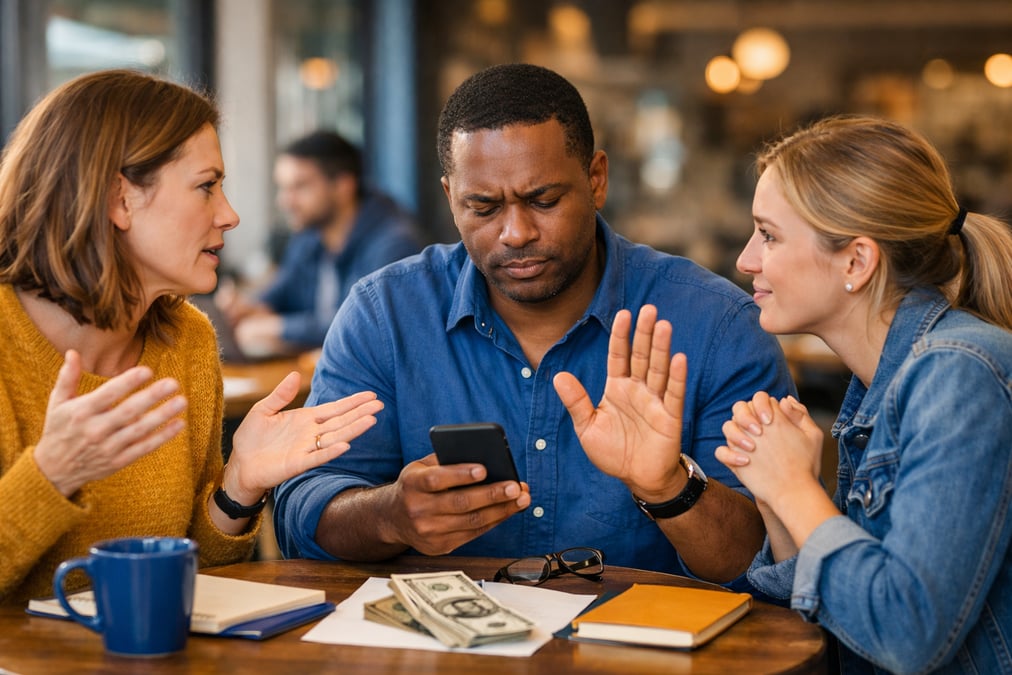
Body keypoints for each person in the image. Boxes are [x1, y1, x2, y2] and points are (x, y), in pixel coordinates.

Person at [272, 63, 794, 587]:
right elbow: (303, 510)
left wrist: (669, 488)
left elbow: (765, 562)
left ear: (596, 179)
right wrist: (390, 516)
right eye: (483, 206)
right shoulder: (385, 314)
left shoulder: (715, 325)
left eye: (543, 200)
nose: (516, 232)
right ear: (451, 197)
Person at [0, 70, 384, 605]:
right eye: (207, 186)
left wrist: (240, 487)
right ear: (119, 199)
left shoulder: (187, 340)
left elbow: (201, 577)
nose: (229, 215)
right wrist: (51, 474)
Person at [717, 115, 1012, 673]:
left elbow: (907, 633)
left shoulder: (957, 373)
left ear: (856, 260)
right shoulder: (884, 383)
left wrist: (795, 488)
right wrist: (778, 503)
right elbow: (832, 635)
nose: (746, 260)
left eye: (769, 235)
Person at [216, 130, 422, 357]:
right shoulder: (310, 237)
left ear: (343, 185)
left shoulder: (393, 245)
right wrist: (248, 306)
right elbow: (282, 291)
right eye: (283, 188)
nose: (285, 201)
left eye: (300, 187)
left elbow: (359, 323)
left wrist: (280, 328)